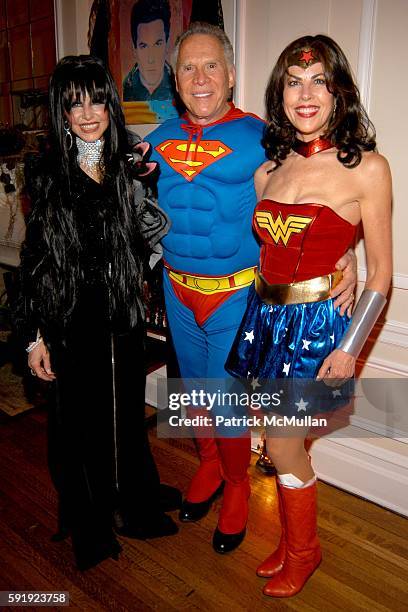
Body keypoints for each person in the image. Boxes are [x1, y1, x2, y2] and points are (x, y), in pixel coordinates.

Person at [147, 23, 357, 554]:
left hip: (235, 294)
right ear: (175, 78)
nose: (200, 78)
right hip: (176, 288)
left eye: (211, 65)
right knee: (192, 395)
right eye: (188, 67)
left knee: (226, 405)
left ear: (232, 74)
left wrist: (347, 252)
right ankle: (211, 467)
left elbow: (316, 194)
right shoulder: (152, 141)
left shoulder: (266, 135)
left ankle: (239, 484)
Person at [225, 35, 392, 597]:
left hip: (318, 330)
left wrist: (351, 348)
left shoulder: (368, 169)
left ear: (339, 89)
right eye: (294, 81)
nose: (306, 93)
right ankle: (296, 543)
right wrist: (338, 253)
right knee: (273, 441)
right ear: (280, 92)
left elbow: (382, 274)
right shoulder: (268, 172)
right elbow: (279, 248)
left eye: (319, 79)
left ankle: (305, 550)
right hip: (263, 319)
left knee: (284, 444)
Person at [15, 55, 181, 571]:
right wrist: (32, 335)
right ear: (61, 112)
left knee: (127, 415)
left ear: (111, 102)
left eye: (96, 99)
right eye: (73, 103)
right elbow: (33, 261)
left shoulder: (129, 164)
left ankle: (133, 502)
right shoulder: (45, 174)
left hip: (123, 319)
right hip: (72, 322)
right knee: (79, 426)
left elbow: (148, 238)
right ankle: (91, 521)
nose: (87, 113)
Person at [123, 0, 177, 122]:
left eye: (158, 44)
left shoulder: (180, 87)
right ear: (134, 48)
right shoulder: (125, 88)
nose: (151, 59)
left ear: (167, 44)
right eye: (144, 46)